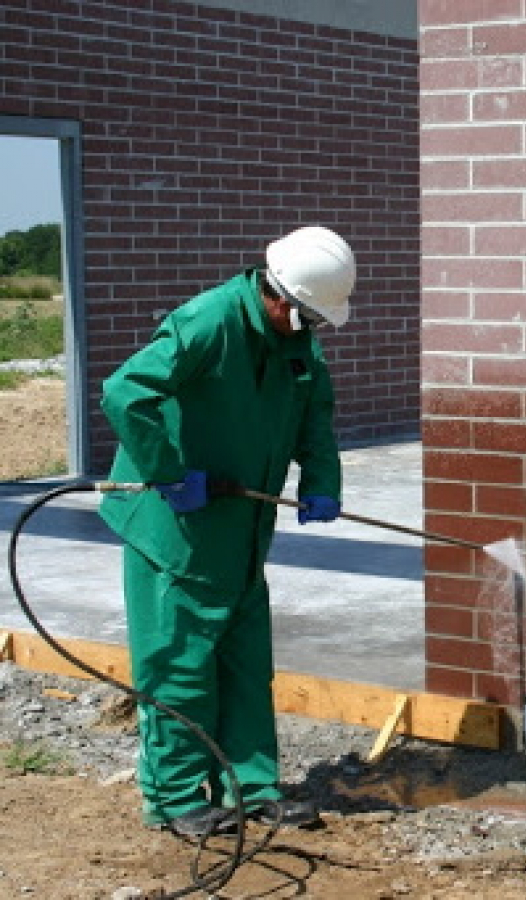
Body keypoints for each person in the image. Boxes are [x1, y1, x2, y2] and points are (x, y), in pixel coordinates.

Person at [98, 225, 355, 837]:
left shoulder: (294, 338)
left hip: (239, 528)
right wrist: (165, 470)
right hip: (176, 527)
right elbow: (124, 392)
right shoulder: (208, 322)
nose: (313, 330)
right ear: (279, 296)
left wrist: (323, 479)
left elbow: (312, 410)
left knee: (244, 660)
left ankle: (252, 786)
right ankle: (177, 797)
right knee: (179, 663)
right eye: (309, 317)